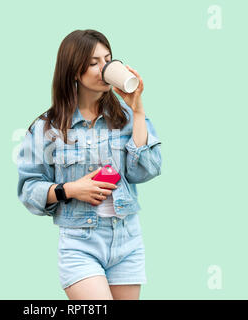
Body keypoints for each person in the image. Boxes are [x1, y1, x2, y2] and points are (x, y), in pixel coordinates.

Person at [16, 29, 162, 300]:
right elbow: (28, 189)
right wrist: (70, 189)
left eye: (108, 59)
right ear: (74, 71)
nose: (104, 68)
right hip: (80, 243)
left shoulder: (127, 116)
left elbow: (147, 169)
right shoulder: (46, 127)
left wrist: (138, 111)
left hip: (127, 239)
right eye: (94, 62)